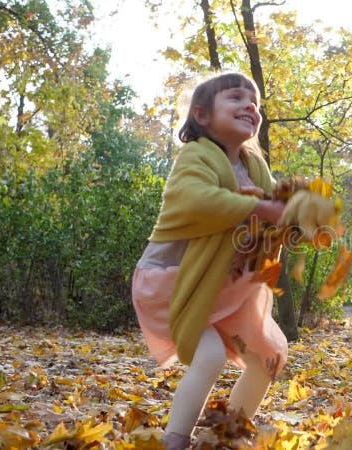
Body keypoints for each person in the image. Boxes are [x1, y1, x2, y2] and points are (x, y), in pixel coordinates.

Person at [131, 72, 288, 449]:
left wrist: (289, 215)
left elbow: (272, 220)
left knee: (267, 355)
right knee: (211, 353)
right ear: (202, 115)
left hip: (219, 287)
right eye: (236, 98)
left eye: (256, 103)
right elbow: (196, 201)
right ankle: (176, 440)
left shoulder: (253, 166)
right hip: (171, 282)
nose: (250, 106)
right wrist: (257, 206)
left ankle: (224, 436)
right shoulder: (195, 157)